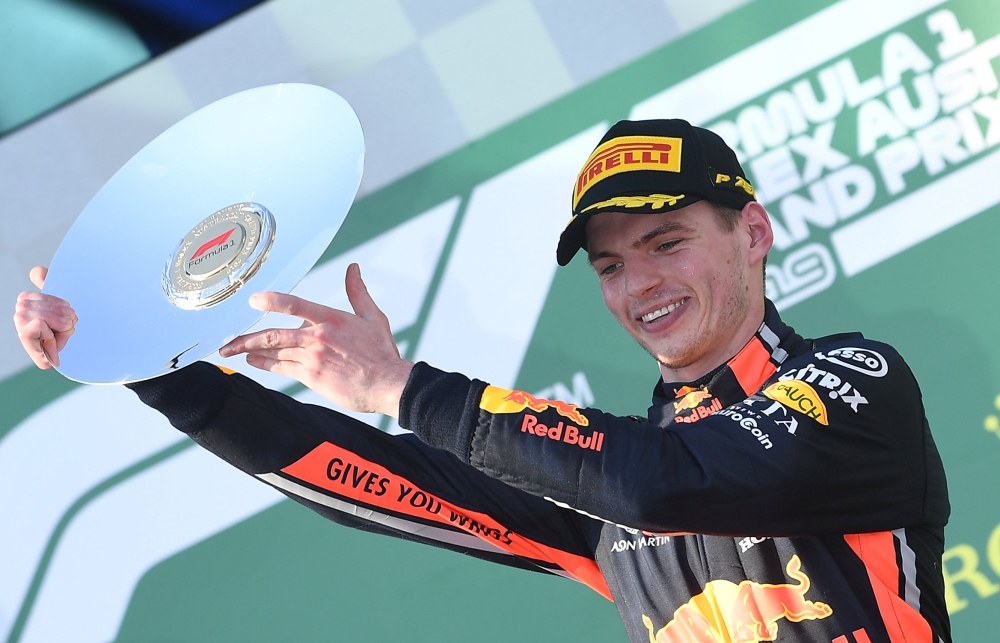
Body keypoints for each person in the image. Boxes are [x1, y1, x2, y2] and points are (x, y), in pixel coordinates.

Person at [14, 119, 950, 643]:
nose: (641, 283)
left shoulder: (856, 383)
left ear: (752, 234)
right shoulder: (608, 501)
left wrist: (400, 384)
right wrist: (152, 367)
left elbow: (669, 481)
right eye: (613, 265)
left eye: (668, 243)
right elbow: (377, 483)